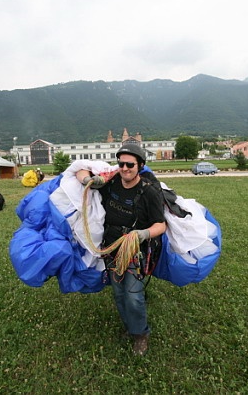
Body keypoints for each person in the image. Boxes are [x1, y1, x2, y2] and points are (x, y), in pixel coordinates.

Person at [76, 143, 166, 356]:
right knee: (118, 293)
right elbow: (78, 170)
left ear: (140, 165)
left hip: (134, 249)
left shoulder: (149, 192)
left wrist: (142, 234)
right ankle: (131, 327)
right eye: (121, 163)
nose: (125, 168)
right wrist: (89, 181)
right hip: (111, 248)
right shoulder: (111, 181)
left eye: (130, 165)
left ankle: (141, 334)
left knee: (133, 295)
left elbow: (160, 225)